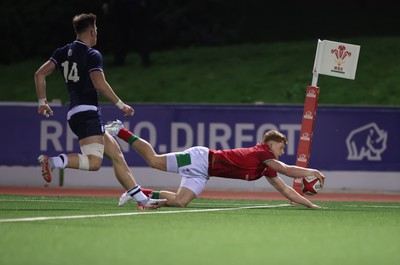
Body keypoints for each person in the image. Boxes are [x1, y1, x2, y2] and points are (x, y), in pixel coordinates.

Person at [34, 13, 165, 210]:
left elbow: (40, 74)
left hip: (77, 114)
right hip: (88, 114)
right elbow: (100, 84)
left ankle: (142, 200)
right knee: (94, 163)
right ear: (92, 31)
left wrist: (42, 101)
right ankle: (52, 161)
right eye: (96, 30)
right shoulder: (91, 54)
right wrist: (121, 105)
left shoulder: (62, 52)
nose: (97, 34)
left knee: (116, 155)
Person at [105, 120, 326, 209]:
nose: (282, 152)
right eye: (281, 147)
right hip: (199, 158)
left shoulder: (266, 166)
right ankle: (120, 130)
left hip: (204, 173)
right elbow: (287, 170)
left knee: (180, 202)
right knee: (153, 160)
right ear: (271, 143)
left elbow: (286, 189)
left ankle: (141, 193)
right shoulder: (263, 153)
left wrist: (310, 205)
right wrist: (312, 171)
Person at [102, 0, 151, 67]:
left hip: (134, 3)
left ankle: (145, 59)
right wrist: (106, 3)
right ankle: (119, 59)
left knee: (139, 31)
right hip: (120, 4)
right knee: (121, 33)